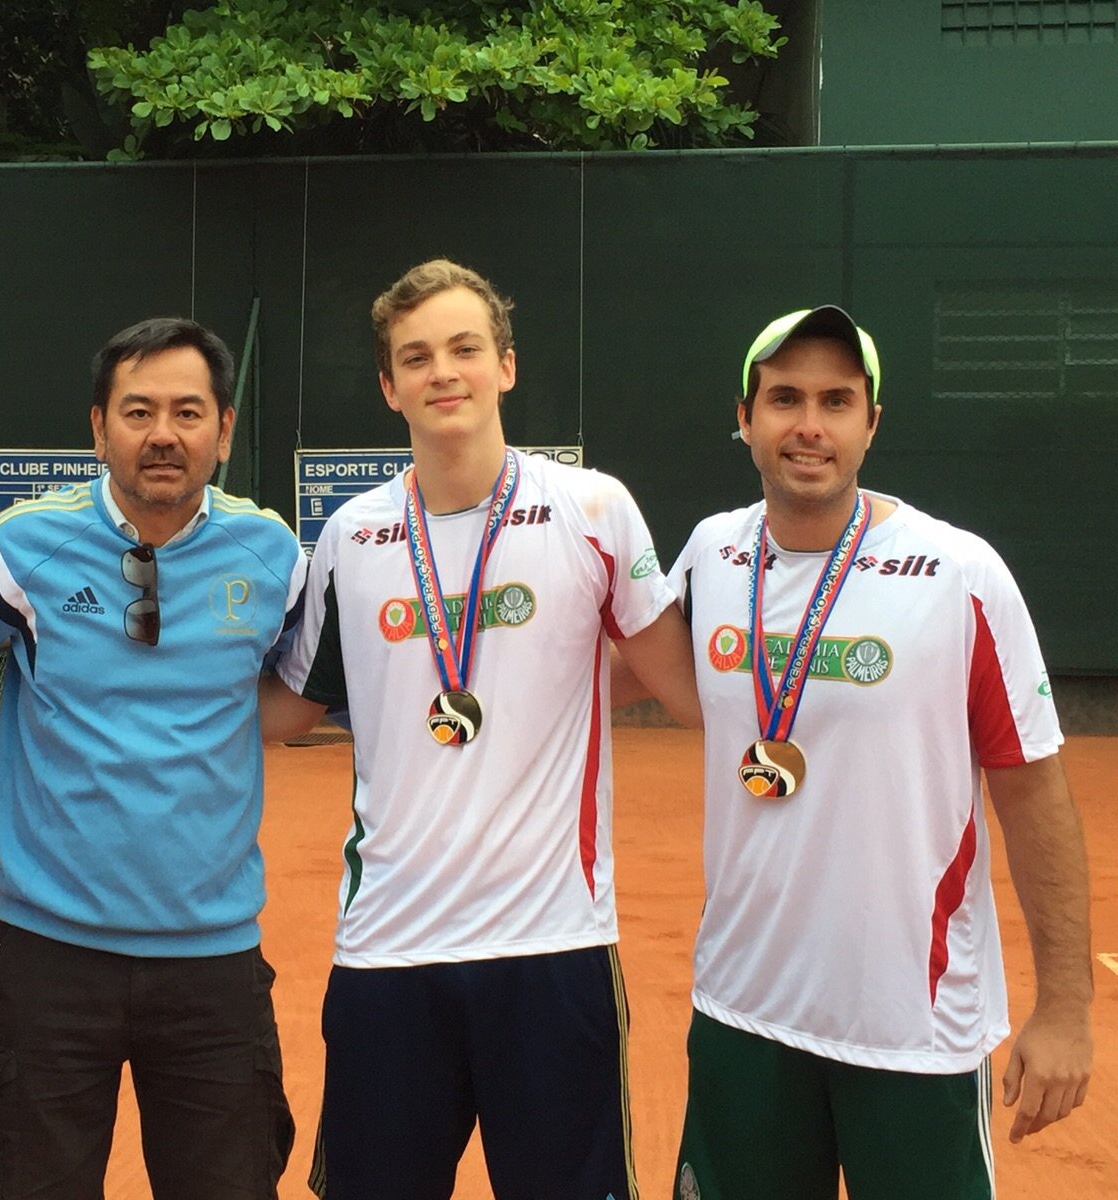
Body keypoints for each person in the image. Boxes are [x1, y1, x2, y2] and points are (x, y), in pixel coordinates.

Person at [260, 258, 701, 1200]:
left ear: (506, 364)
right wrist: (124, 694)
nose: (442, 371)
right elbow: (292, 706)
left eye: (465, 348)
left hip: (552, 951)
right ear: (389, 387)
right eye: (415, 357)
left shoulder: (593, 510)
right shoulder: (350, 537)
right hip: (388, 954)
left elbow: (687, 686)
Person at [662, 306, 1093, 1199]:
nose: (808, 425)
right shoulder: (712, 552)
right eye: (783, 398)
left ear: (871, 423)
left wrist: (1067, 1008)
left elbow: (1034, 795)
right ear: (745, 420)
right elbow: (606, 661)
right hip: (743, 1013)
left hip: (909, 1029)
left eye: (835, 400)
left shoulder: (960, 574)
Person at [0, 316, 304, 1200]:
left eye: (189, 412)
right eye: (137, 410)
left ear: (223, 430)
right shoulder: (15, 549)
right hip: (49, 957)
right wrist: (43, 765)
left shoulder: (272, 557)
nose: (162, 434)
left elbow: (293, 699)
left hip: (213, 964)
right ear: (99, 426)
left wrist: (197, 742)